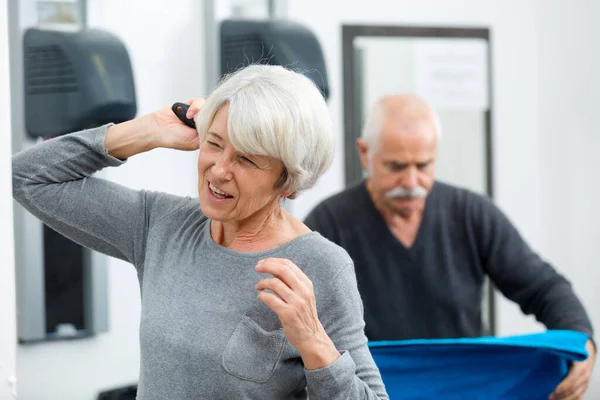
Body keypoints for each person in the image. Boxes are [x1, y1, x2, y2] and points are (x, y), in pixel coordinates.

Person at [12, 65, 389, 400]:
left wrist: (315, 343)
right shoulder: (162, 224)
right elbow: (26, 177)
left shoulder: (321, 266)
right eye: (214, 143)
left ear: (287, 182)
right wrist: (147, 131)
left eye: (246, 159)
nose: (219, 169)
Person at [304, 94, 596, 400]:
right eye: (396, 166)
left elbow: (544, 288)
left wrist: (583, 342)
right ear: (365, 154)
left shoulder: (471, 215)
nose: (412, 180)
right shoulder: (328, 224)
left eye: (423, 165)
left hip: (466, 389)